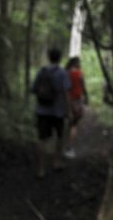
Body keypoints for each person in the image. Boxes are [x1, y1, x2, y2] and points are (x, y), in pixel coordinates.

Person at [31, 47, 71, 177]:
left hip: (42, 111)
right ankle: (56, 162)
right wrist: (68, 110)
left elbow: (33, 89)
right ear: (59, 58)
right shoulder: (62, 73)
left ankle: (41, 169)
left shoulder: (41, 72)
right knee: (59, 136)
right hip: (58, 112)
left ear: (49, 57)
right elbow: (66, 93)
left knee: (42, 139)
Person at [63, 57, 89, 159]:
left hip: (66, 100)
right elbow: (83, 87)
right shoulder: (79, 73)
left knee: (69, 123)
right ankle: (70, 148)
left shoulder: (66, 73)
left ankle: (64, 146)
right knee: (74, 125)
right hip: (77, 100)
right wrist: (86, 97)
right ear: (76, 63)